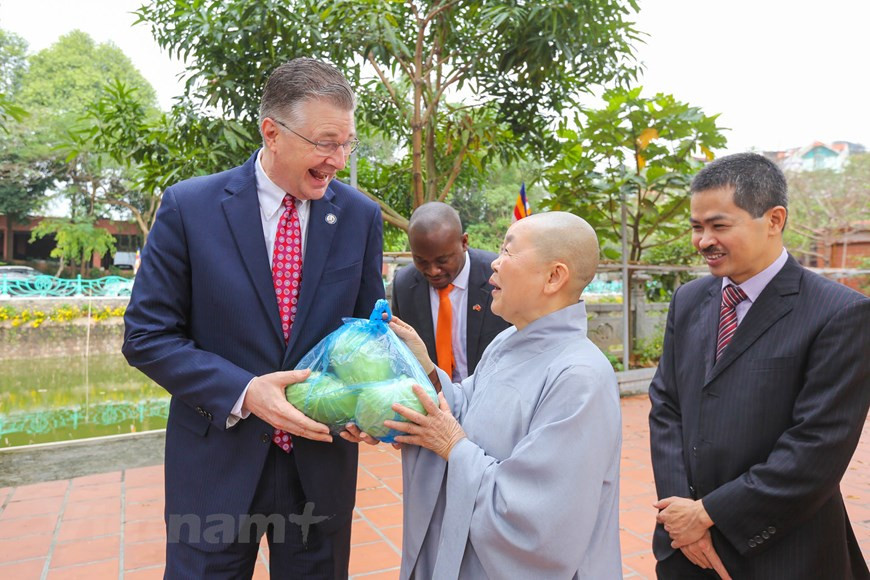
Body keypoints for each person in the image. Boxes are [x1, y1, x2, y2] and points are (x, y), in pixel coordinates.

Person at [122, 58, 385, 578]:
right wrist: (246, 392)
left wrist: (367, 401)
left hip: (319, 466)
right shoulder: (189, 207)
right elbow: (147, 337)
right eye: (326, 143)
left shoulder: (359, 216)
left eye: (348, 144)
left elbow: (363, 337)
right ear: (272, 132)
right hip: (217, 463)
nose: (338, 160)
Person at [649, 152, 870, 579]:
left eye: (719, 226)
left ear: (774, 220)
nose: (703, 241)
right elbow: (666, 406)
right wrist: (683, 517)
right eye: (696, 227)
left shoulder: (839, 313)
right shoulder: (689, 300)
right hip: (686, 547)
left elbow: (817, 447)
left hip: (781, 547)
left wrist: (710, 514)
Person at [368, 212, 623, 578]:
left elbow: (538, 522)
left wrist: (453, 446)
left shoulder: (580, 377)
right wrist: (424, 368)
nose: (495, 264)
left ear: (554, 277)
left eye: (508, 251)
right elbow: (463, 409)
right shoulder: (508, 341)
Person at [391, 201, 510, 381]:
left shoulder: (498, 277)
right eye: (421, 261)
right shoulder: (404, 285)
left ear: (464, 242)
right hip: (431, 393)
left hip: (491, 390)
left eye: (442, 260)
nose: (433, 271)